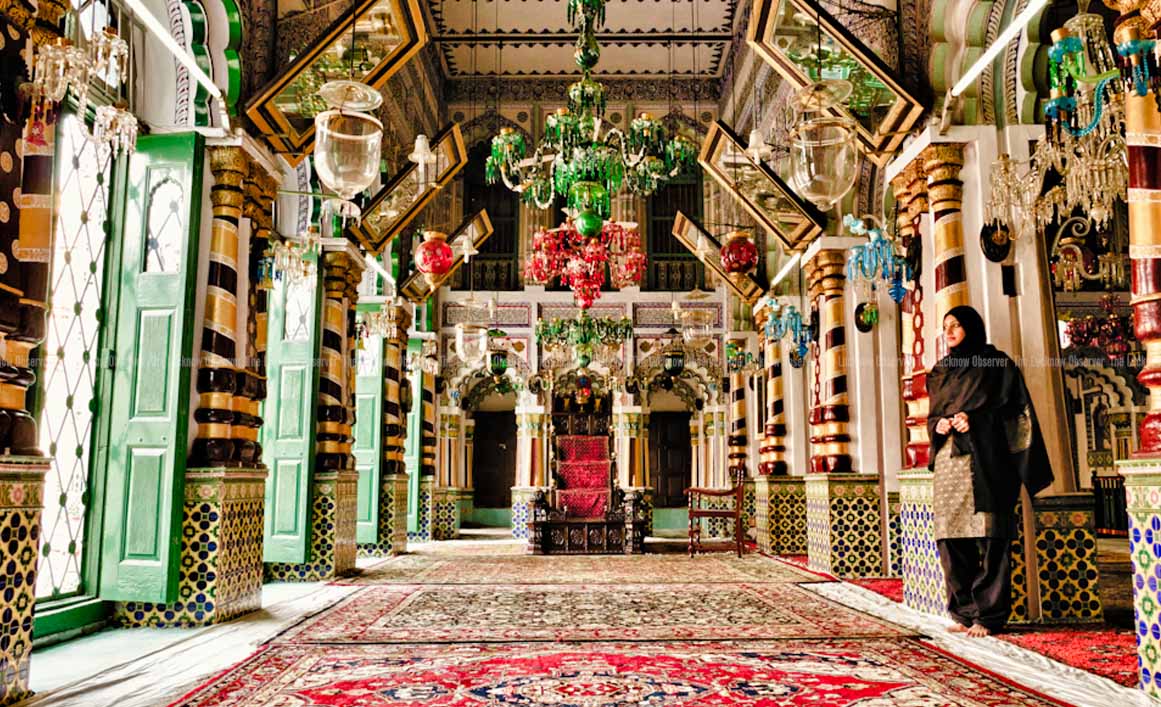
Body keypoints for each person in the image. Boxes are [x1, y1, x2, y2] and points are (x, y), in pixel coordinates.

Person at [926, 306, 1053, 637]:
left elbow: (1014, 412)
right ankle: (963, 611)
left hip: (985, 462)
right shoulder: (940, 372)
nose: (949, 331)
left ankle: (989, 615)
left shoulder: (996, 365)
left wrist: (976, 420)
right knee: (950, 540)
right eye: (945, 326)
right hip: (948, 464)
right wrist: (937, 425)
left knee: (990, 538)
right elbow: (932, 415)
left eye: (956, 325)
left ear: (972, 327)